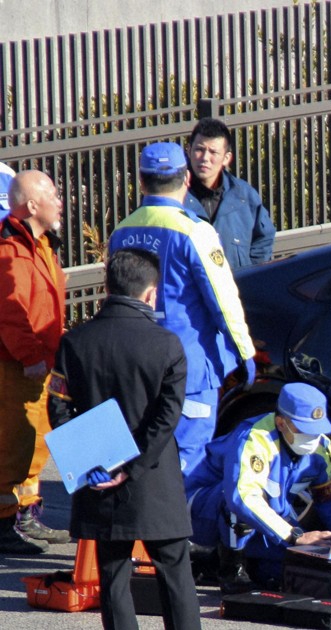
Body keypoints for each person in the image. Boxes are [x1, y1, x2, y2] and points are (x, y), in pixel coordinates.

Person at [47, 248, 201, 630]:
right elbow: (166, 418)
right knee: (176, 576)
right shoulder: (167, 346)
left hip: (97, 478)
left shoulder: (75, 343)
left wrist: (94, 464)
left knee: (113, 577)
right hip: (155, 481)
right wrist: (132, 466)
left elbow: (58, 409)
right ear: (151, 293)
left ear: (106, 288)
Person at [109, 142, 256, 478]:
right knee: (187, 462)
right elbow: (223, 300)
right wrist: (244, 353)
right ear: (186, 179)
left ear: (142, 183)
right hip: (189, 369)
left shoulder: (121, 231)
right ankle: (179, 530)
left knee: (141, 456)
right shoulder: (194, 231)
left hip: (135, 367)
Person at [186, 382, 331, 593]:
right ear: (281, 423)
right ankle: (231, 570)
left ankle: (232, 563)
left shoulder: (321, 448)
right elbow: (243, 499)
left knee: (292, 566)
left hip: (265, 520)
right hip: (202, 512)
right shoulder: (255, 438)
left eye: (317, 431)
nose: (312, 438)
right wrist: (295, 535)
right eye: (304, 430)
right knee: (236, 500)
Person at [0, 169, 71, 553]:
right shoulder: (9, 249)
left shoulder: (40, 244)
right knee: (12, 444)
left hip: (40, 364)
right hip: (17, 367)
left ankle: (25, 514)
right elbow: (10, 313)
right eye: (53, 194)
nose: (60, 201)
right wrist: (30, 357)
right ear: (31, 205)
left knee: (35, 443)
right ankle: (5, 523)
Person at [183, 118, 276, 269]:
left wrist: (251, 271)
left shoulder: (243, 196)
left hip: (236, 289)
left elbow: (264, 237)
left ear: (226, 158)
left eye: (213, 152)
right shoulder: (174, 196)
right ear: (189, 150)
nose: (205, 158)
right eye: (199, 149)